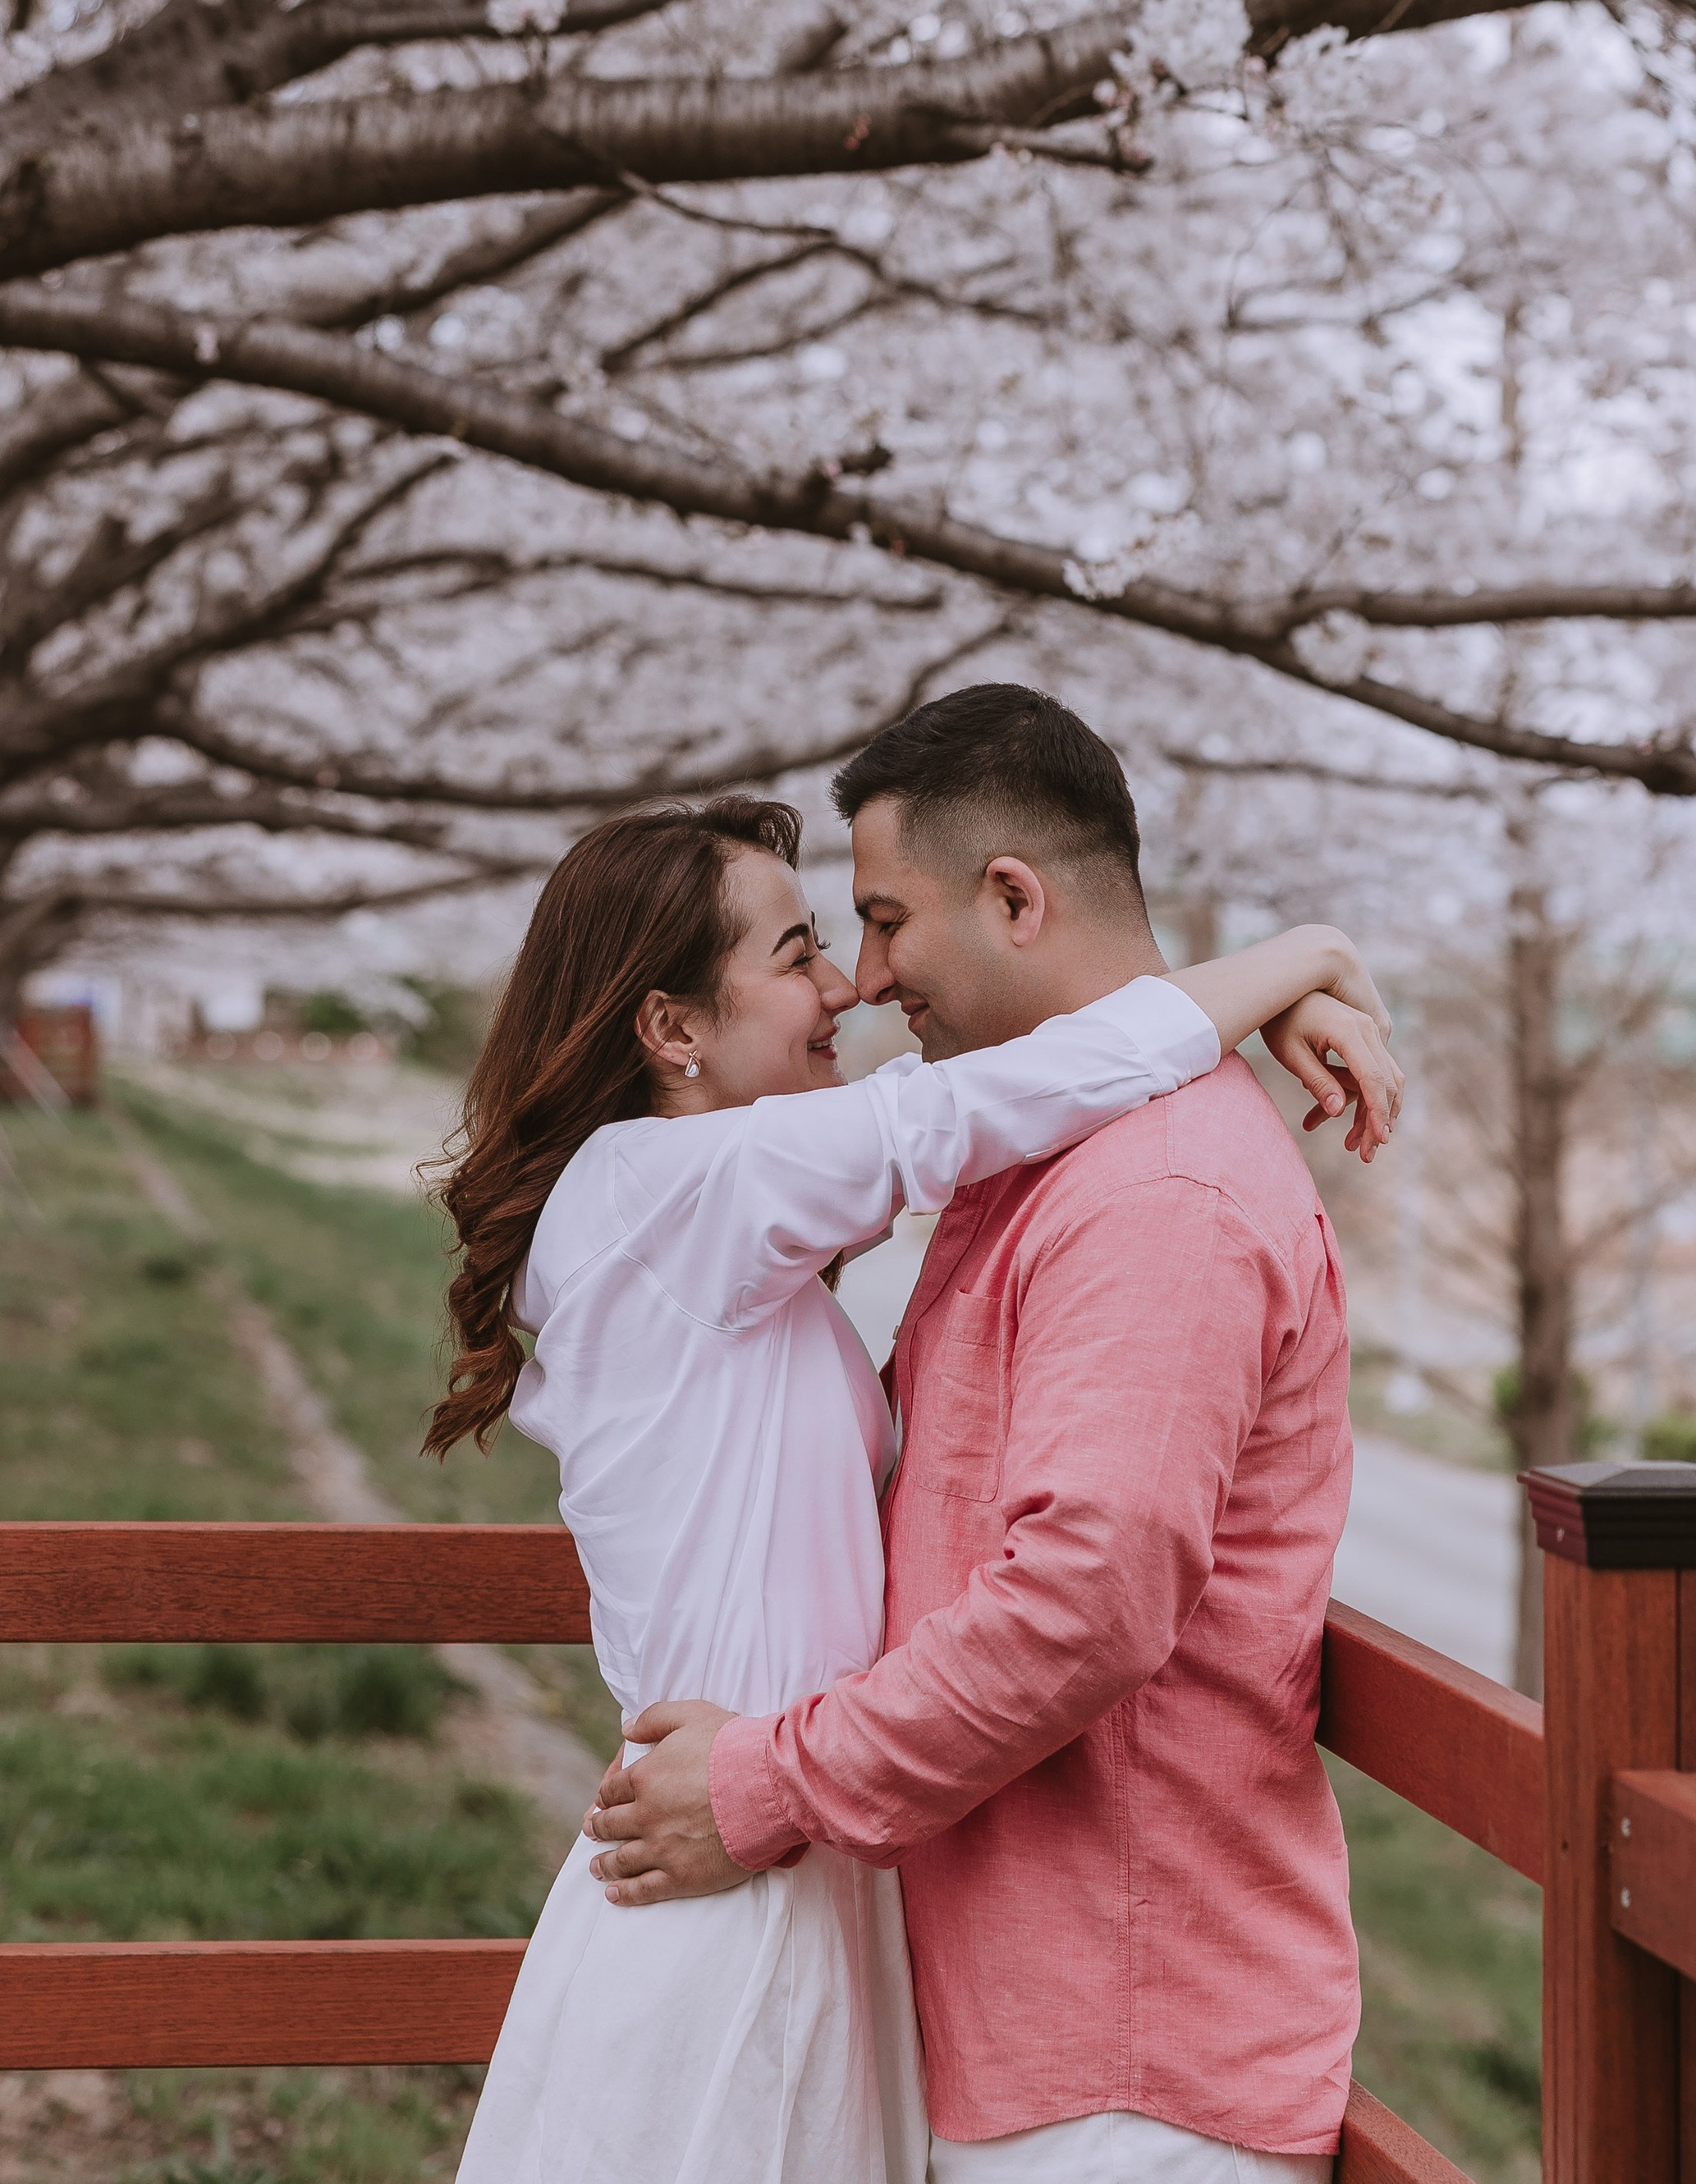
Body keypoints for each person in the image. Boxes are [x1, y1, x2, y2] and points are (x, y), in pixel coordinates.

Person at [431, 784, 1398, 2184]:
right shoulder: (655, 1192)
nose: (849, 983)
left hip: (807, 1860)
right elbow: (964, 1113)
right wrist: (1297, 960)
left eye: (863, 928)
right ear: (672, 1030)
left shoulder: (698, 1216)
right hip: (741, 1867)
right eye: (801, 952)